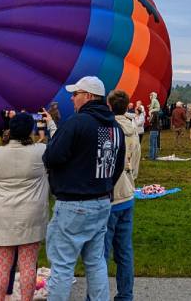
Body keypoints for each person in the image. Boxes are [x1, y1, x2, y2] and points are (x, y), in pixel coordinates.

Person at [42, 76, 125, 301]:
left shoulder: (76, 123)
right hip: (102, 201)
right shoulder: (115, 128)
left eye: (75, 94)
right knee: (96, 262)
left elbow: (51, 156)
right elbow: (117, 166)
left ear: (88, 96)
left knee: (62, 265)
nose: (71, 98)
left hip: (73, 204)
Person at [0, 113, 50, 301]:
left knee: (2, 266)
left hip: (2, 216)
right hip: (31, 215)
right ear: (30, 130)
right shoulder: (40, 151)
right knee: (28, 265)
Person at [101, 90, 141, 301]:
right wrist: (131, 178)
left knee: (102, 253)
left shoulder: (107, 130)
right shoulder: (133, 129)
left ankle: (98, 295)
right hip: (127, 193)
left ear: (109, 106)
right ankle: (126, 295)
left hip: (110, 197)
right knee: (124, 251)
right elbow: (136, 162)